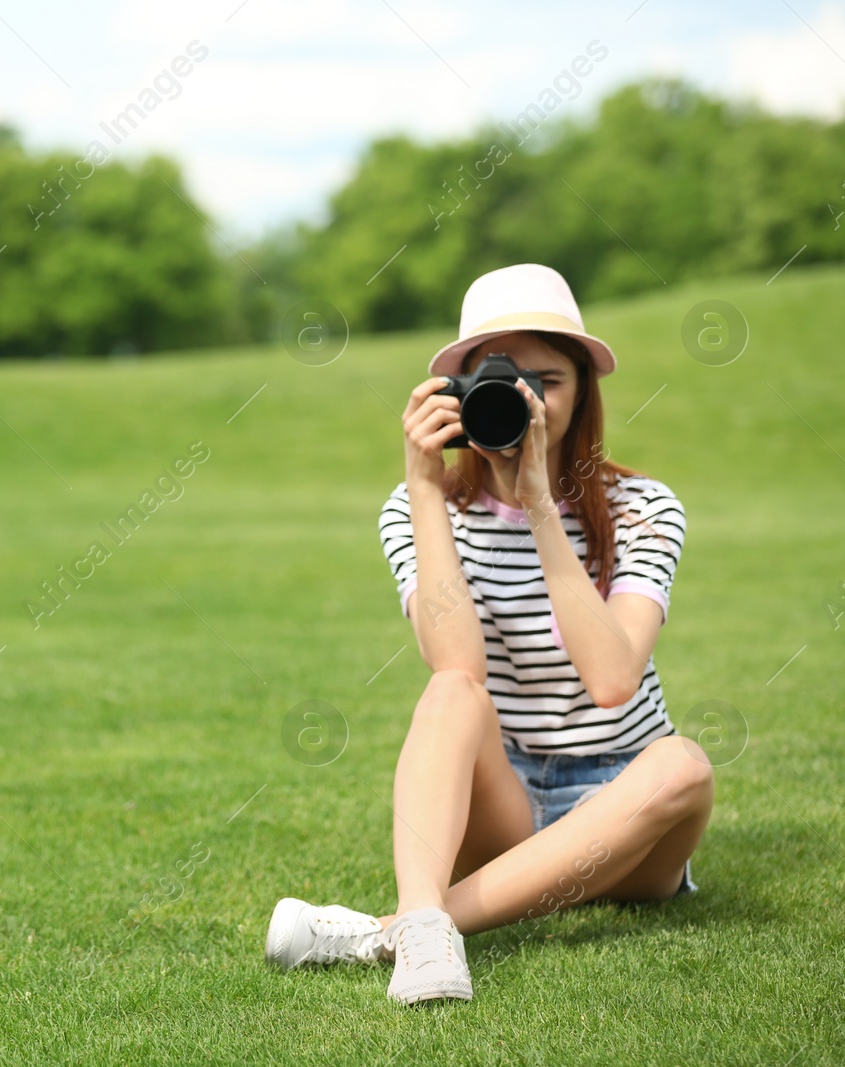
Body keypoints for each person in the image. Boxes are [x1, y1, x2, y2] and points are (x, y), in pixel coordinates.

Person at [264, 263, 714, 1004]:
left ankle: (396, 928)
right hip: (504, 801)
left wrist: (542, 502)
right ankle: (426, 928)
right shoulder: (419, 508)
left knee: (685, 763)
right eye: (500, 384)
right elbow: (458, 664)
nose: (525, 401)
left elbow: (610, 680)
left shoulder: (643, 507)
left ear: (583, 391)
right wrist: (421, 485)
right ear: (458, 397)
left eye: (548, 380)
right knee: (448, 694)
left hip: (627, 810)